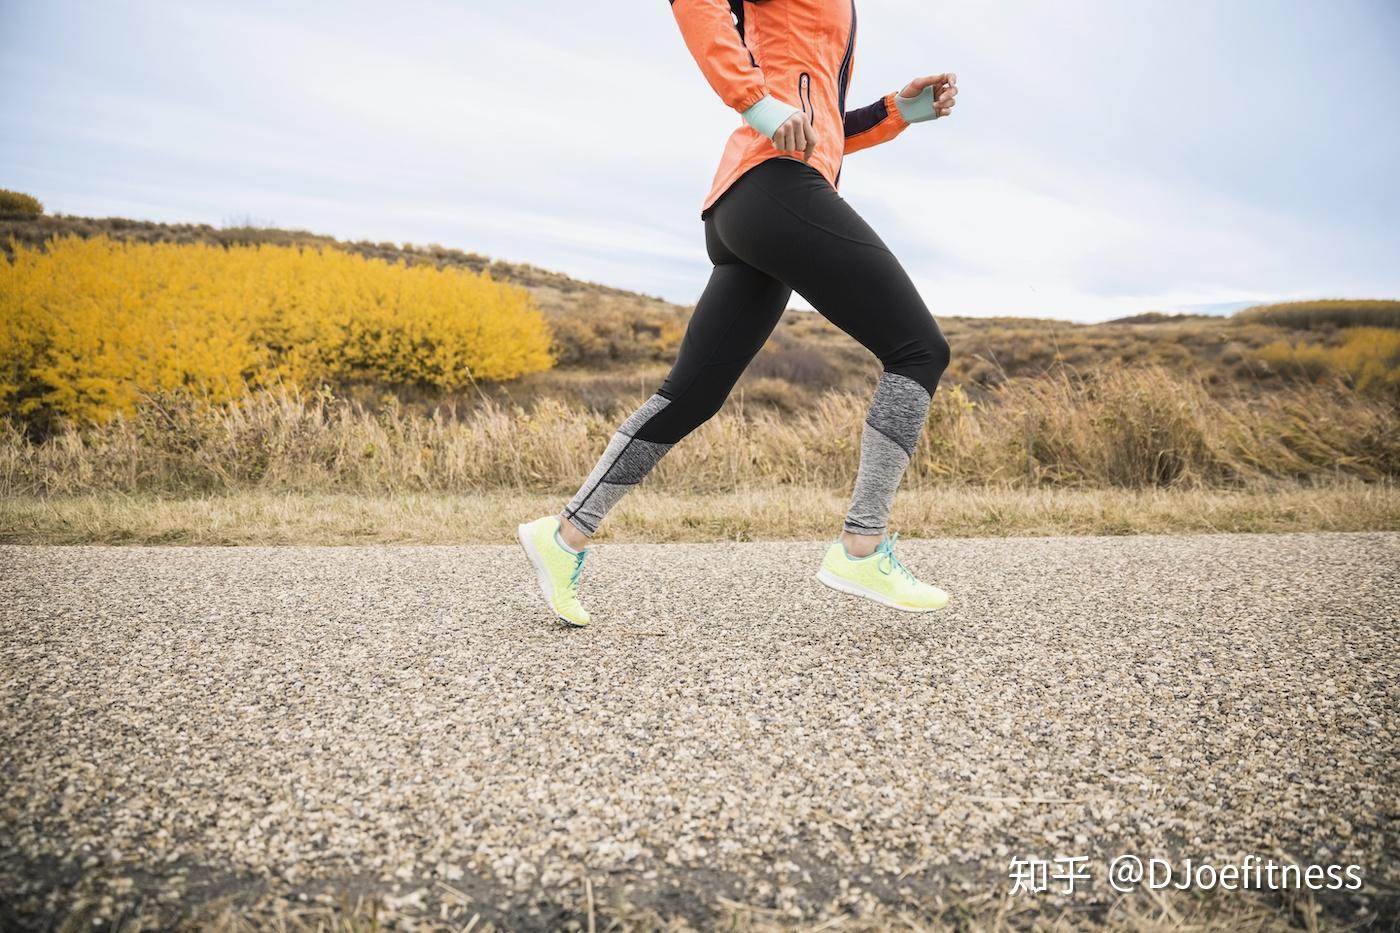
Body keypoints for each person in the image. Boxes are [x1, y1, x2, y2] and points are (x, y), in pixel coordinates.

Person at [517, 0, 957, 626]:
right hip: (775, 185)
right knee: (919, 350)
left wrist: (896, 113)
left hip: (754, 204)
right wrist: (754, 101)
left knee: (691, 395)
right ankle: (862, 545)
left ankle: (563, 538)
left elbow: (817, 122)